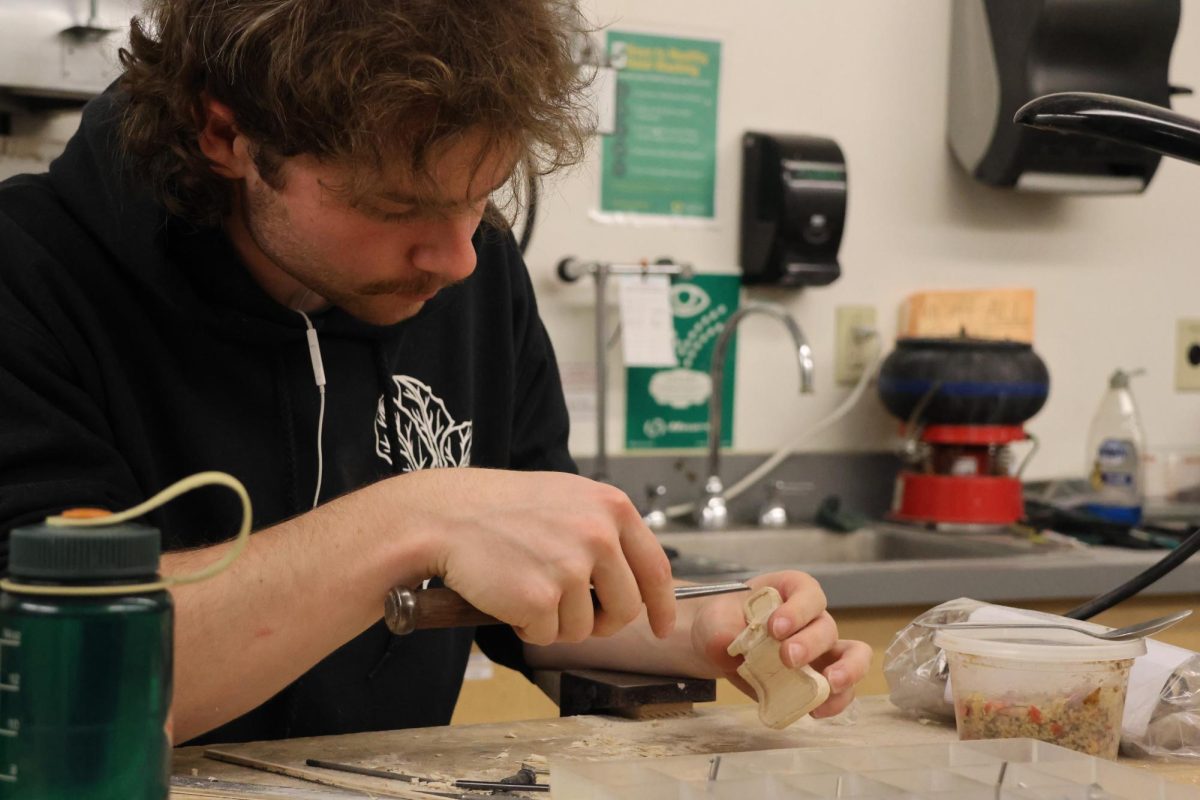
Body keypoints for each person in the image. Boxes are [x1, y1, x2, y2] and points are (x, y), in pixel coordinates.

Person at [0, 0, 872, 745]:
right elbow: (49, 688)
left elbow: (536, 604)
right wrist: (412, 519)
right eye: (397, 206)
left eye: (481, 197)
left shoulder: (473, 273)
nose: (455, 258)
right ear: (226, 133)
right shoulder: (31, 279)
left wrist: (695, 628)